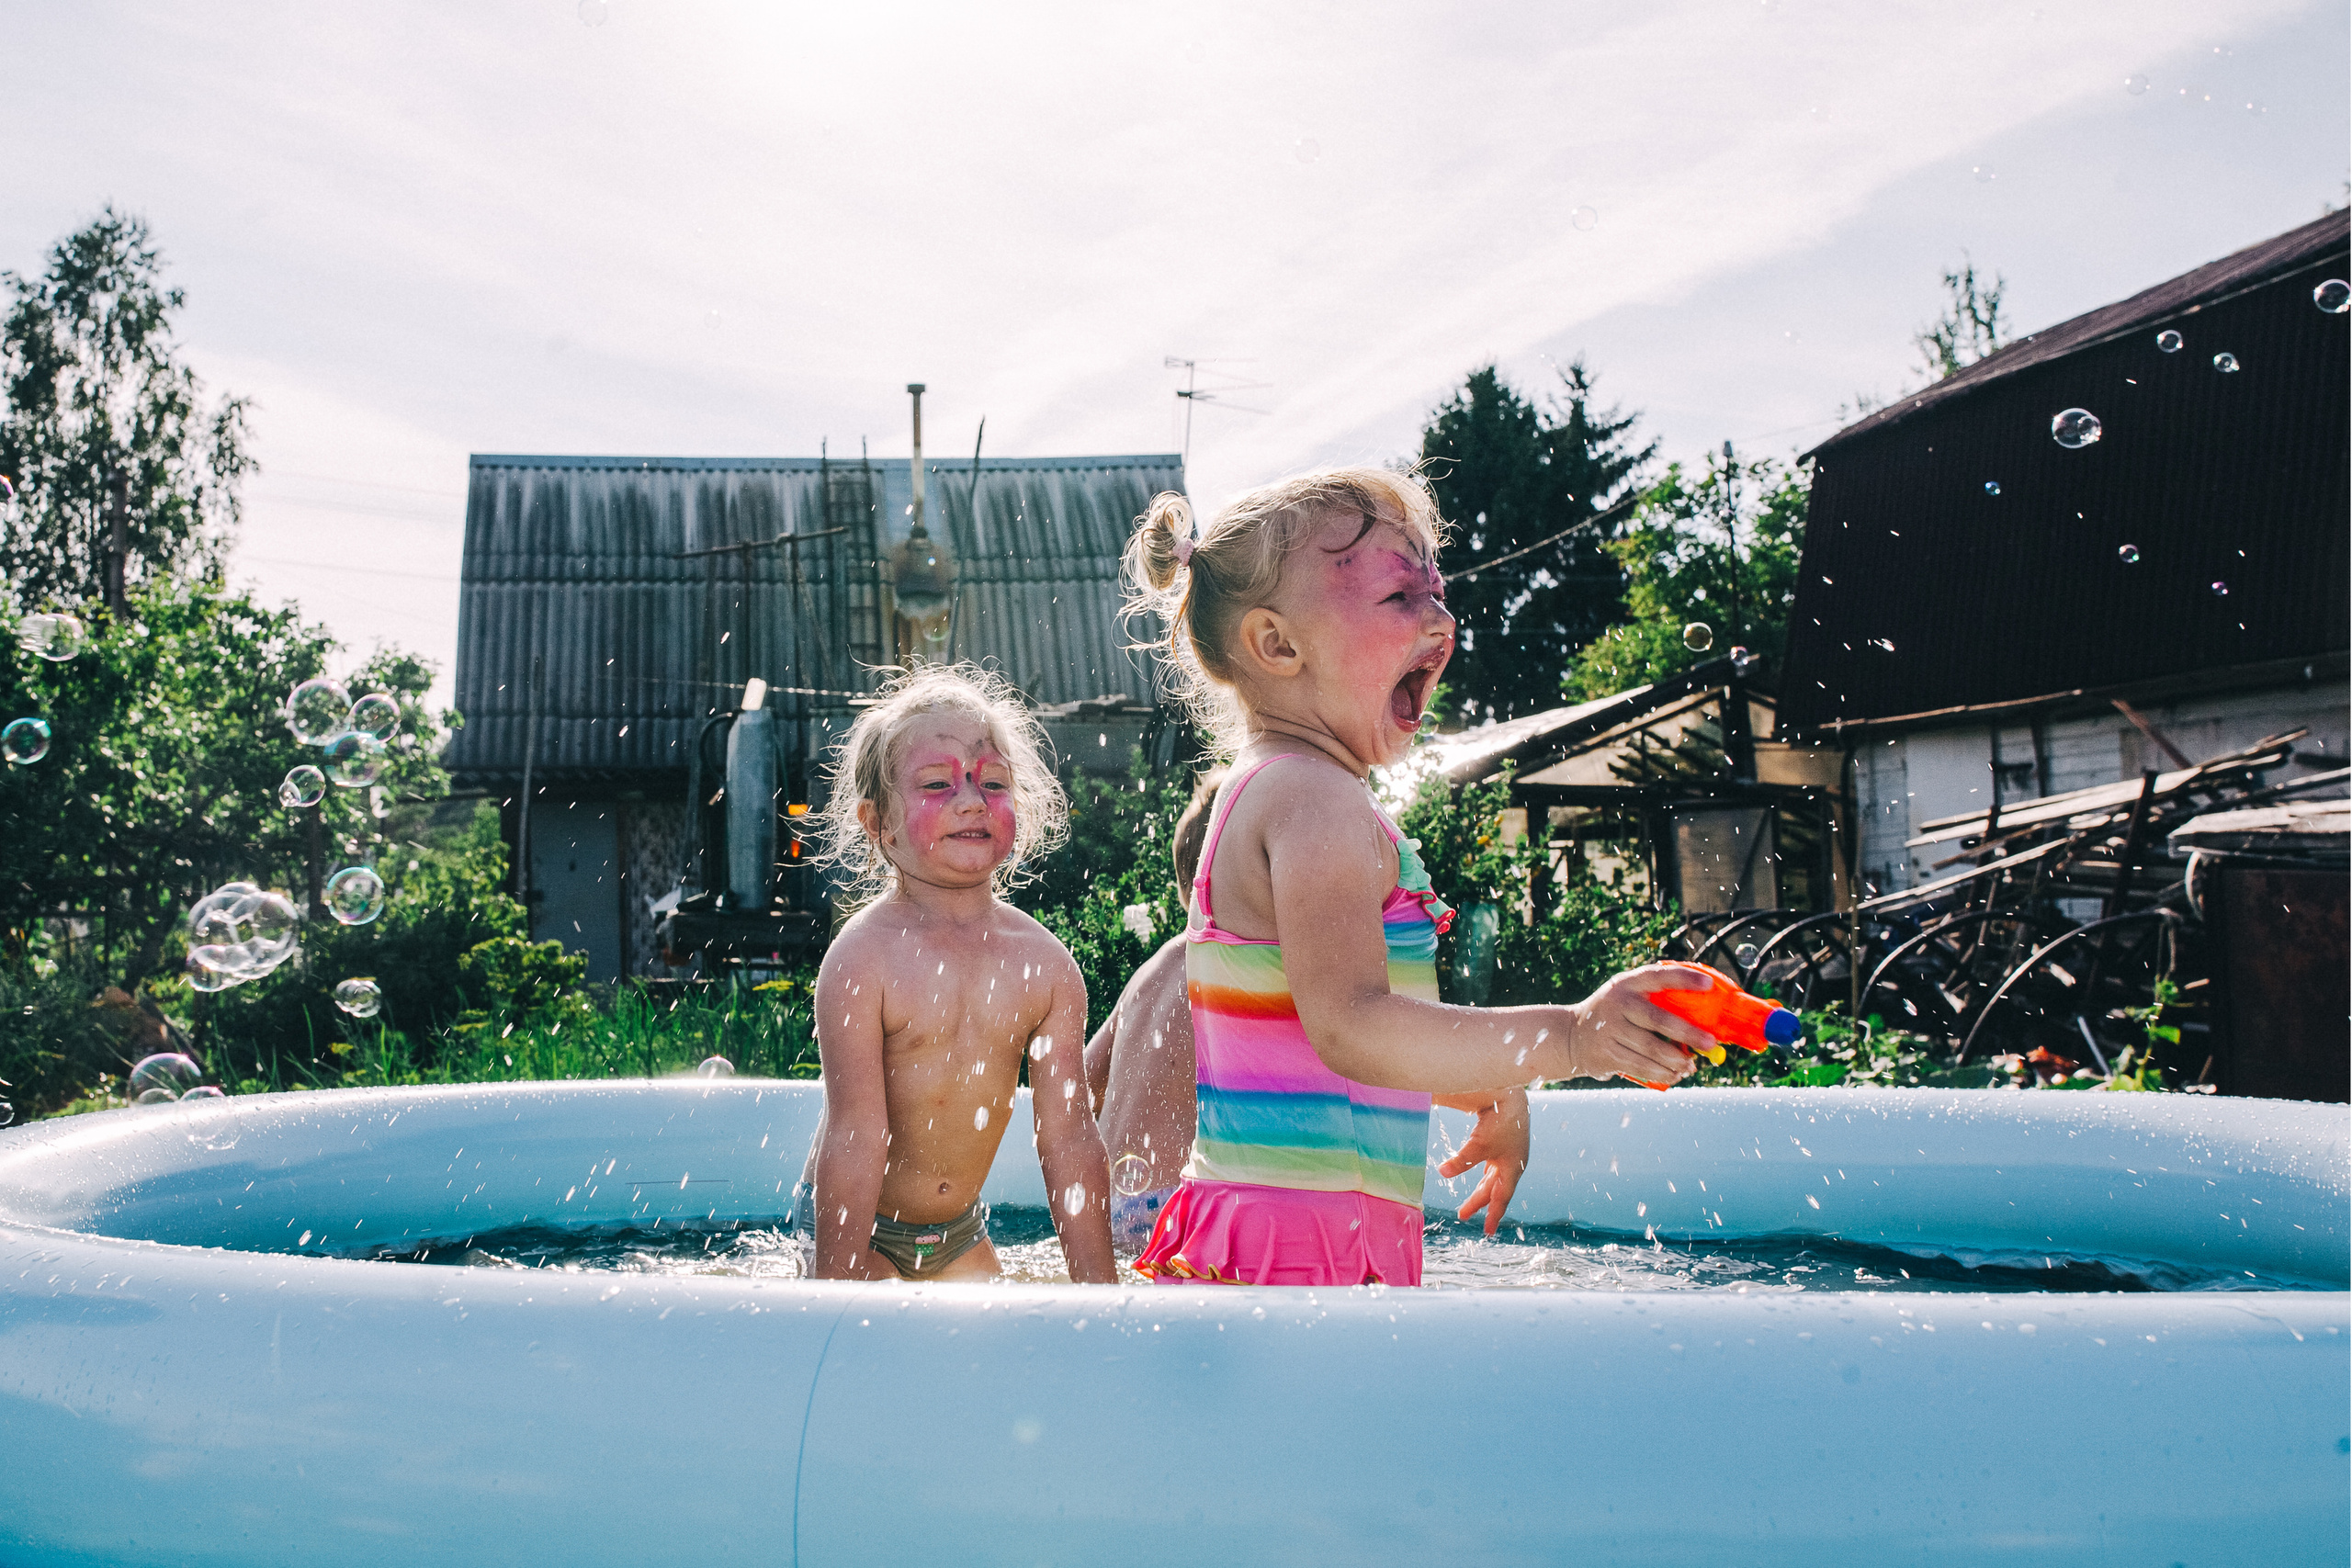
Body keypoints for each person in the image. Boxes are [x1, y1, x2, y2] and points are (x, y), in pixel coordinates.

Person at [1119, 467, 1715, 1288]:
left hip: (1292, 1243)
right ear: (1278, 645)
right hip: (1291, 1257)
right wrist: (1572, 1035)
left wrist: (1483, 1075)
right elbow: (1352, 1025)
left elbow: (1326, 1046)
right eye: (1401, 596)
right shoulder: (1309, 796)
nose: (1441, 617)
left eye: (1436, 588)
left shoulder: (1303, 791)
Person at [796, 663, 1116, 1283]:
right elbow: (856, 1136)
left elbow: (1071, 1139)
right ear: (878, 823)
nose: (972, 799)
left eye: (992, 782)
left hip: (959, 1231)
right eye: (939, 783)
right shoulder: (864, 959)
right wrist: (827, 1298)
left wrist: (1103, 1297)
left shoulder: (1044, 966)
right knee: (875, 1348)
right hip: (858, 1228)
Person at [1081, 769, 1222, 1257]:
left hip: (1112, 1204)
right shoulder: (1233, 971)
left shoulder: (1153, 968)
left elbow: (1077, 1080)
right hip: (1180, 1209)